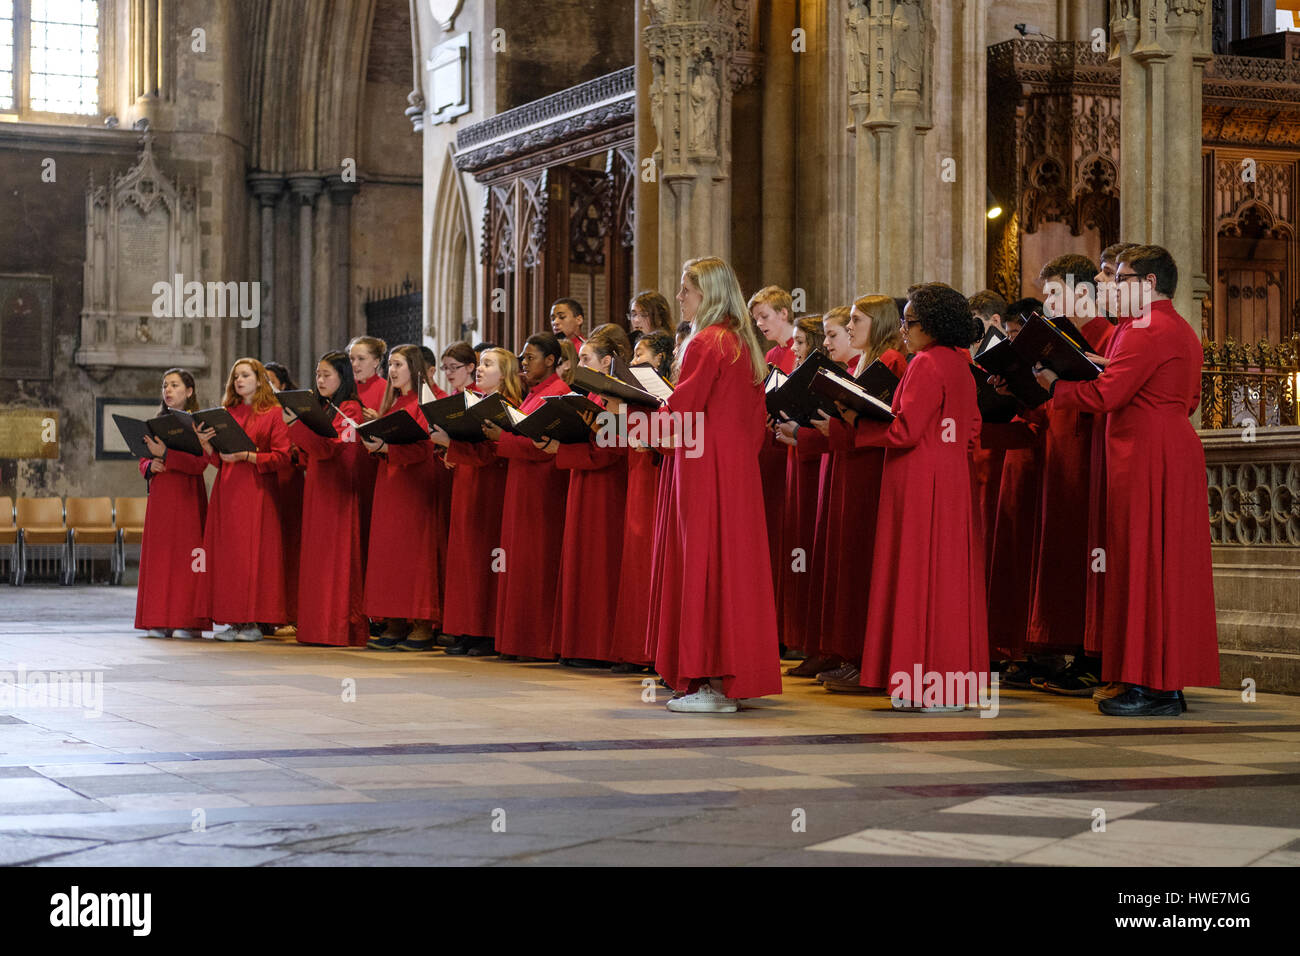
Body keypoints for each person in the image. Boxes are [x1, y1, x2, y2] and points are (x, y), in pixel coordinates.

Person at [1034, 244, 1219, 716]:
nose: (1111, 286)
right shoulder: (1167, 328)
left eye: (1120, 278)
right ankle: (1144, 677)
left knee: (1144, 566)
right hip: (1158, 447)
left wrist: (1056, 385)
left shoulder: (1147, 327)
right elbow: (1190, 396)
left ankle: (1156, 686)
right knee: (1148, 567)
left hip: (1147, 454)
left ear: (1149, 284)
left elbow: (1109, 392)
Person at [841, 284, 986, 710]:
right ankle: (946, 684)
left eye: (910, 322)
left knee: (919, 577)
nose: (904, 330)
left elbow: (905, 430)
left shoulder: (925, 363)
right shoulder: (960, 364)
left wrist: (856, 420)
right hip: (952, 476)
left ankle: (926, 682)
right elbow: (972, 430)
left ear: (932, 326)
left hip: (921, 478)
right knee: (947, 579)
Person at [649, 256, 782, 713]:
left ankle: (703, 680)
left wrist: (633, 423)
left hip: (703, 471)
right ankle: (726, 677)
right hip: (736, 472)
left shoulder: (706, 342)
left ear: (707, 293)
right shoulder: (742, 343)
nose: (680, 298)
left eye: (686, 289)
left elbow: (682, 411)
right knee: (730, 570)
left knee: (701, 565)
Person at [817, 295, 909, 693]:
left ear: (881, 321)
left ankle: (868, 659)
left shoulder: (891, 362)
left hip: (872, 470)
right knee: (850, 562)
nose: (850, 326)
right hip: (852, 465)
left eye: (857, 319)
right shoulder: (863, 362)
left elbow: (883, 423)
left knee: (863, 562)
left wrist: (840, 424)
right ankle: (853, 654)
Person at [1023, 255, 1106, 695]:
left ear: (1081, 292)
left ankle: (1092, 657)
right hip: (1059, 449)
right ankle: (1068, 648)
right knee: (1062, 556)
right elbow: (1050, 402)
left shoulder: (1107, 336)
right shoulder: (1054, 339)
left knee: (1088, 555)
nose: (1049, 302)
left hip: (1090, 454)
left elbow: (1108, 392)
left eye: (1054, 293)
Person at [545, 324, 632, 667]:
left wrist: (563, 450)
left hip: (608, 490)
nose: (577, 365)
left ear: (607, 361)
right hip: (584, 483)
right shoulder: (592, 397)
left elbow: (613, 450)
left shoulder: (618, 396)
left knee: (601, 565)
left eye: (585, 358)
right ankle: (579, 643)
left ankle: (600, 647)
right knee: (583, 563)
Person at [483, 332, 573, 661]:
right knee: (517, 564)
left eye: (530, 357)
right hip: (521, 484)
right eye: (522, 357)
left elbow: (542, 446)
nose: (524, 362)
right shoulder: (533, 393)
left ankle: (534, 643)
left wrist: (501, 437)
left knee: (535, 565)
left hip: (541, 490)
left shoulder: (558, 393)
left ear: (550, 360)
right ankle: (515, 641)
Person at [775, 307, 854, 679]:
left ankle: (826, 648)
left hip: (821, 468)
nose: (801, 348)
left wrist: (802, 433)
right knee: (804, 557)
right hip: (808, 466)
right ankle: (812, 643)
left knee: (815, 556)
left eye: (824, 337)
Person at [431, 347, 523, 657]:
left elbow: (493, 453)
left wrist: (450, 444)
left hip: (490, 489)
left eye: (488, 364)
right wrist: (451, 451)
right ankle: (467, 629)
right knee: (465, 560)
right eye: (480, 364)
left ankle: (485, 630)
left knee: (485, 560)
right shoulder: (476, 402)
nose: (480, 370)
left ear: (505, 373)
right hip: (467, 485)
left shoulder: (506, 406)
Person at [197, 358, 291, 642]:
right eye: (236, 376)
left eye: (245, 375)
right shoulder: (227, 412)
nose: (239, 380)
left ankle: (252, 622)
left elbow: (283, 457)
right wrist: (205, 444)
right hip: (227, 491)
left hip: (256, 491)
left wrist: (247, 456)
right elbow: (219, 461)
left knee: (251, 557)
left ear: (260, 379)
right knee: (230, 559)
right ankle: (234, 620)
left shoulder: (274, 413)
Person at [359, 345, 442, 651]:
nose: (392, 371)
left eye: (398, 365)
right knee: (390, 553)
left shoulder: (424, 401)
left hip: (414, 485)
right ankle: (394, 619)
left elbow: (425, 448)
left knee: (414, 553)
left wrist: (385, 448)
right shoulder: (394, 403)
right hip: (390, 483)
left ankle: (420, 622)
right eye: (391, 365)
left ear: (414, 368)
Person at [283, 352, 368, 647]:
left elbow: (331, 449)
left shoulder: (351, 408)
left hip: (339, 490)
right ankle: (314, 627)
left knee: (336, 560)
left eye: (327, 375)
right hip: (318, 487)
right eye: (318, 374)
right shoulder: (323, 406)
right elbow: (311, 454)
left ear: (343, 377)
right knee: (316, 560)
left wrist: (296, 427)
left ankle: (336, 629)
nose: (320, 380)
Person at [135, 368, 210, 640]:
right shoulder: (155, 421)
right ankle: (158, 619)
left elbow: (202, 463)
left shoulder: (198, 423)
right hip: (161, 496)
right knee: (160, 558)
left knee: (187, 560)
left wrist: (166, 454)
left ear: (189, 391)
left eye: (175, 385)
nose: (167, 390)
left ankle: (187, 621)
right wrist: (149, 465)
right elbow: (143, 457)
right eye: (165, 385)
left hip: (187, 496)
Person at [263, 361, 304, 638]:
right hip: (265, 484)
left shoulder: (289, 412)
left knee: (289, 549)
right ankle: (265, 612)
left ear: (283, 385)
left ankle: (290, 612)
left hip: (289, 482)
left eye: (269, 380)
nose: (264, 385)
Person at [348, 336, 389, 419]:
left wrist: (378, 420)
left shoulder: (387, 390)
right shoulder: (345, 387)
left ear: (376, 362)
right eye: (352, 359)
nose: (354, 364)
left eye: (361, 359)